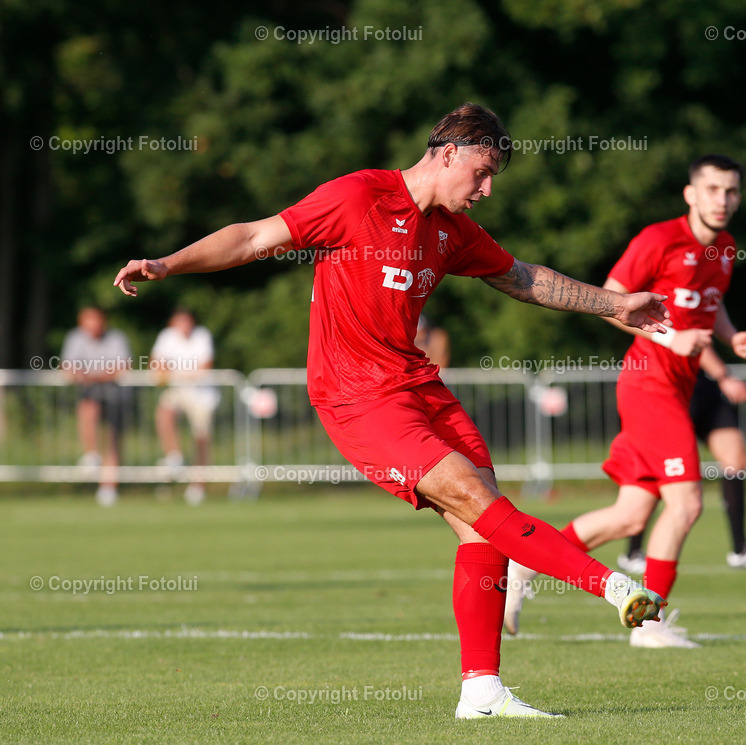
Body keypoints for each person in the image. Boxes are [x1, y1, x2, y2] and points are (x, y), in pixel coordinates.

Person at [113, 103, 670, 719]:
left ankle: (481, 692)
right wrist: (169, 263)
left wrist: (612, 305)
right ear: (448, 153)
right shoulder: (359, 196)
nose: (486, 190)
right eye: (482, 173)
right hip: (357, 397)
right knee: (476, 500)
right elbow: (252, 237)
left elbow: (522, 277)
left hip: (418, 384)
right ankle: (614, 586)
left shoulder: (451, 230)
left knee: (479, 522)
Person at [504, 154, 746, 649]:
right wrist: (671, 342)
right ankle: (650, 624)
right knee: (685, 504)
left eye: (730, 191)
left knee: (629, 517)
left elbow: (710, 304)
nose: (722, 200)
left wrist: (732, 337)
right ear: (691, 194)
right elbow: (611, 299)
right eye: (712, 189)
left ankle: (525, 563)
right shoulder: (658, 239)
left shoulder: (725, 248)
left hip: (674, 389)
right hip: (649, 385)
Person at [617, 346, 746, 574]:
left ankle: (741, 550)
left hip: (703, 384)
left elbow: (711, 322)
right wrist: (724, 376)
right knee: (665, 475)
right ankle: (633, 553)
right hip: (669, 388)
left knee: (736, 459)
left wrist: (734, 337)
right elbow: (688, 337)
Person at [60, 306, 133, 506]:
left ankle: (108, 487)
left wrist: (92, 376)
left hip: (115, 396)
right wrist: (83, 375)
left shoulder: (116, 338)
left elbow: (122, 367)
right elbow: (68, 367)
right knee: (88, 409)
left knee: (111, 440)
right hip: (91, 395)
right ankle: (91, 454)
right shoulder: (75, 338)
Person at [150, 308, 219, 505]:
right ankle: (174, 456)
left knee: (201, 439)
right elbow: (156, 365)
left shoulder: (202, 335)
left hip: (202, 395)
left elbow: (205, 366)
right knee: (164, 411)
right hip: (179, 390)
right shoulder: (167, 336)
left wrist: (176, 374)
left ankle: (198, 485)